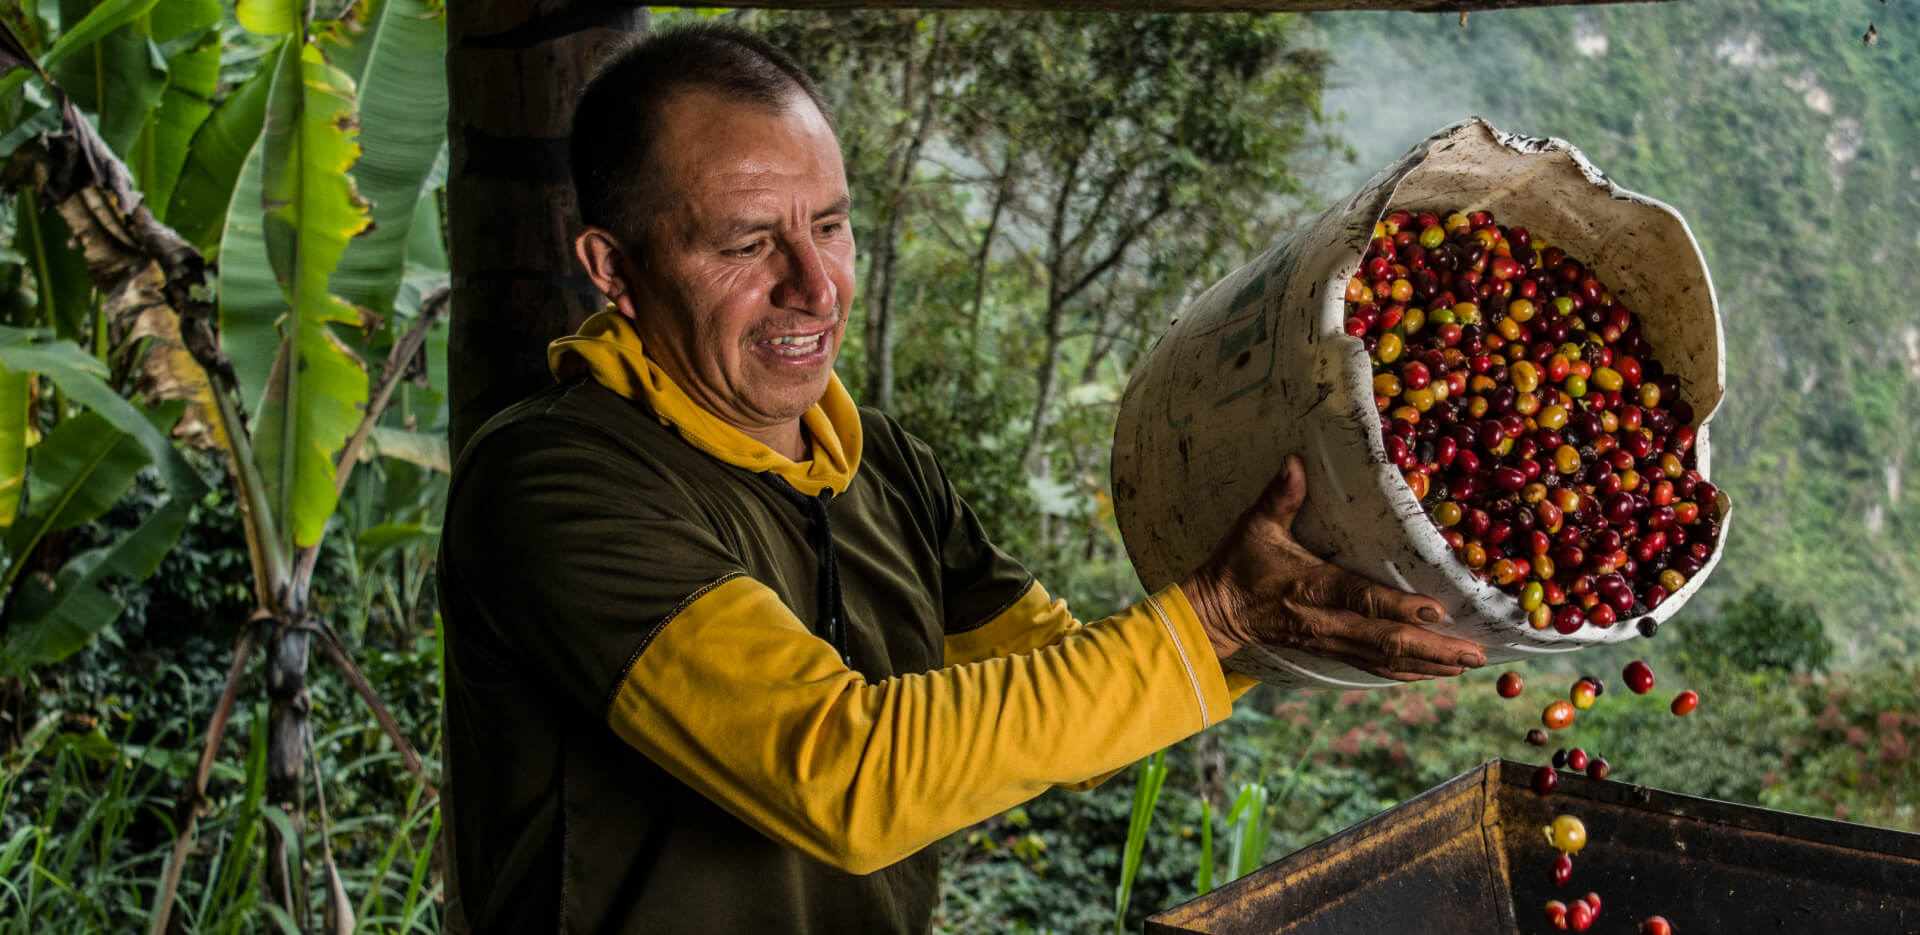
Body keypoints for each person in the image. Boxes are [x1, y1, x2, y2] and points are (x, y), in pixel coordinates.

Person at [436, 23, 1487, 934]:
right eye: (749, 242)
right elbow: (843, 774)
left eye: (832, 225)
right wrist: (1212, 615)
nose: (813, 284)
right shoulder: (555, 481)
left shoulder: (882, 463)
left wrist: (1289, 596)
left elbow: (1074, 690)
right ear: (613, 269)